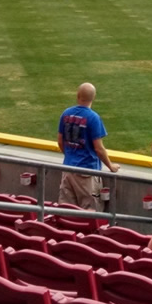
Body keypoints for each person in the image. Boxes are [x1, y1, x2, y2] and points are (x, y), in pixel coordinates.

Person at [57, 82, 118, 210]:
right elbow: (99, 148)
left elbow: (60, 142)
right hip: (87, 173)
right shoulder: (93, 117)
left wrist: (70, 156)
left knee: (67, 211)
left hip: (68, 169)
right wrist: (110, 166)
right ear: (93, 98)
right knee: (90, 214)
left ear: (78, 95)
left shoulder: (66, 113)